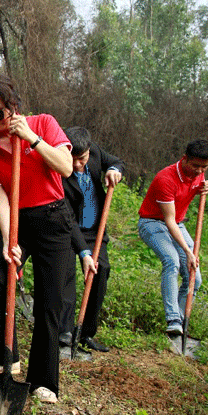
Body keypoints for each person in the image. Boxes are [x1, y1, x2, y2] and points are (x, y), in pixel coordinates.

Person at [0, 73, 74, 404]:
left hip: (52, 219)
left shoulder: (43, 124)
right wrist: (7, 238)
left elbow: (66, 167)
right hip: (15, 219)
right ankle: (3, 358)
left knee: (50, 299)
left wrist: (31, 138)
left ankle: (44, 379)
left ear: (12, 107)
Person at [137, 139, 208, 336]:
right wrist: (189, 252)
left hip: (178, 224)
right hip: (153, 223)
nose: (199, 171)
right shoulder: (166, 178)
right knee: (172, 261)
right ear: (184, 159)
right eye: (196, 165)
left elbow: (191, 189)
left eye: (204, 167)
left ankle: (180, 323)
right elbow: (169, 221)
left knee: (194, 278)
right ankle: (172, 319)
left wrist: (203, 188)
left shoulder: (199, 174)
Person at [59, 127, 125, 353]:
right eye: (72, 159)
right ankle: (65, 333)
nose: (77, 164)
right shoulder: (60, 173)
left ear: (89, 151)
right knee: (66, 277)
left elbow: (116, 161)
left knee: (100, 273)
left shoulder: (95, 152)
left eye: (82, 158)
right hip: (69, 231)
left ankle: (85, 333)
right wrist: (83, 252)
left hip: (95, 230)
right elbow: (67, 217)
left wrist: (114, 170)